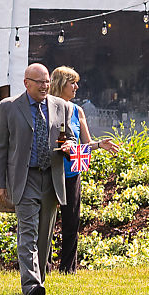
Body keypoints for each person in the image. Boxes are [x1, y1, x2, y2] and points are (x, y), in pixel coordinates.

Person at [0, 62, 78, 295]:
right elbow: (0, 148)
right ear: (26, 82)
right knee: (27, 232)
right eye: (40, 82)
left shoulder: (61, 106)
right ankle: (31, 286)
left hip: (51, 177)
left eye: (47, 81)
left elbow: (68, 136)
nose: (45, 86)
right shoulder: (8, 107)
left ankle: (39, 280)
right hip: (24, 177)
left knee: (44, 236)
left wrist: (69, 144)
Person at [49, 66, 110, 274]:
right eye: (72, 82)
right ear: (60, 84)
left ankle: (68, 269)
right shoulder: (45, 107)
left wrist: (100, 145)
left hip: (72, 173)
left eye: (76, 82)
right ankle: (43, 267)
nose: (76, 87)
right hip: (49, 172)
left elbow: (87, 142)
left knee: (71, 222)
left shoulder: (77, 111)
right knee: (45, 222)